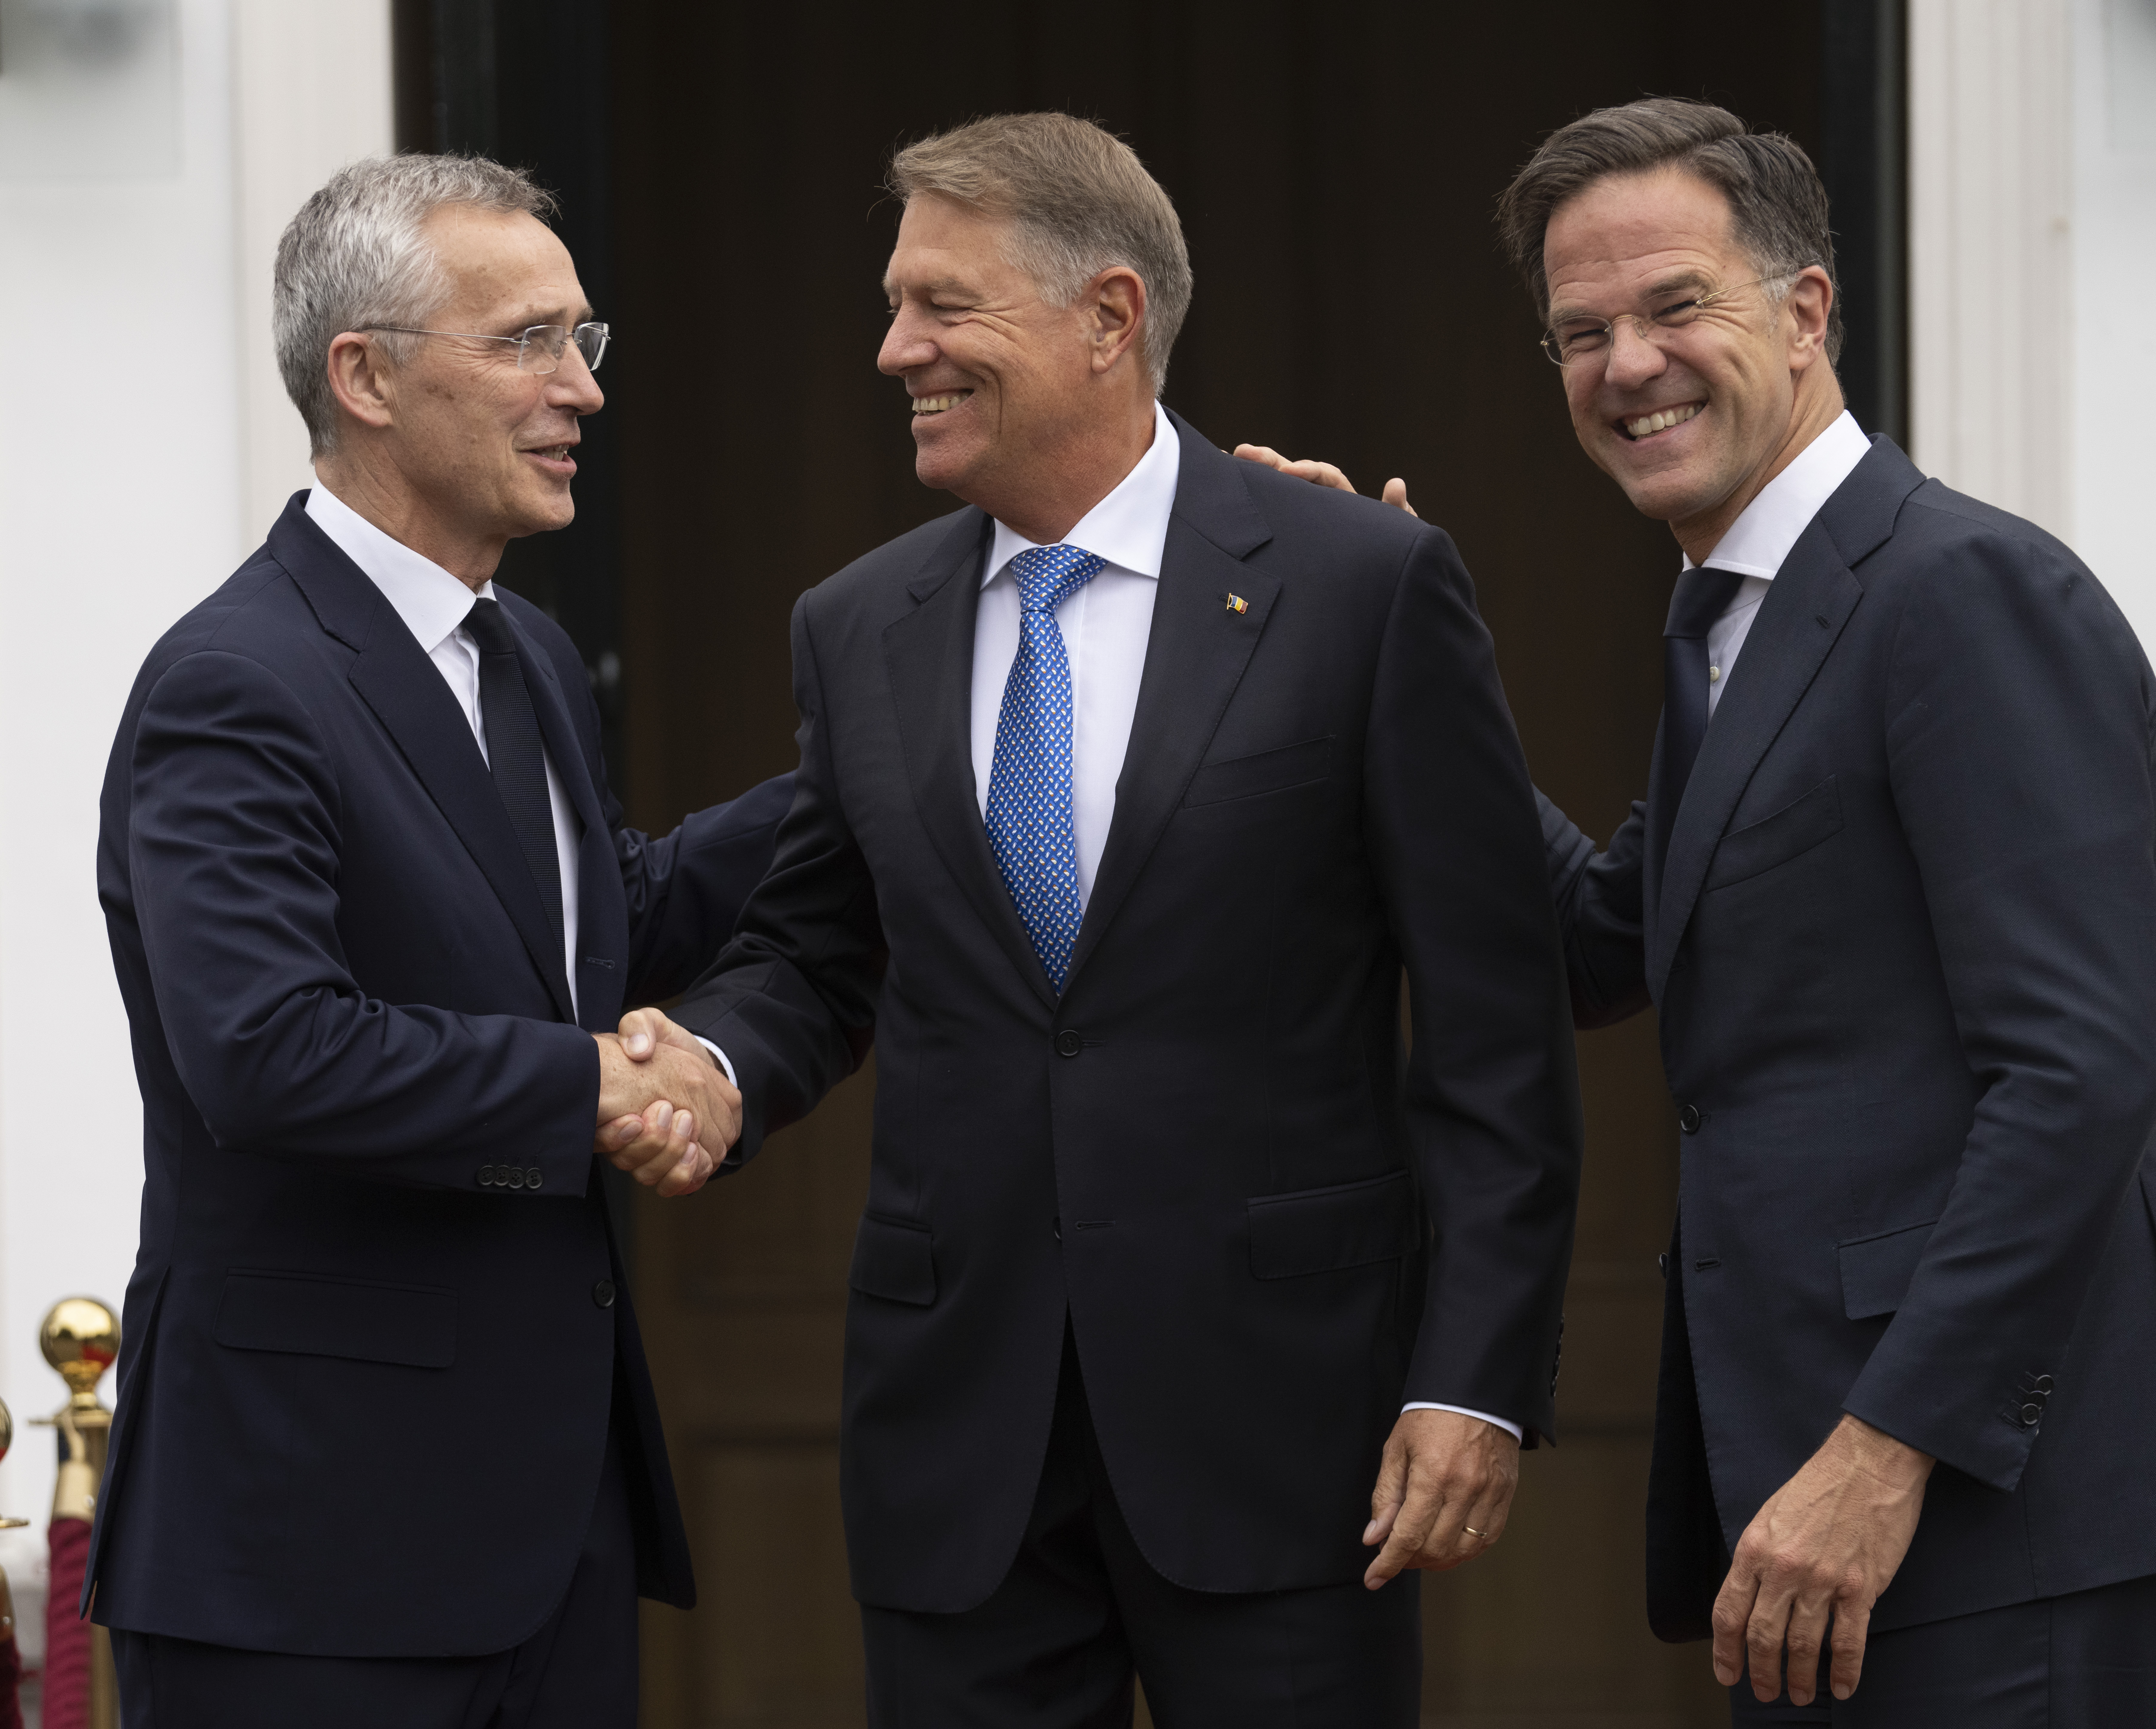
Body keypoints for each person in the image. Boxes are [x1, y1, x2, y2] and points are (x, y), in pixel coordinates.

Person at [1244, 97, 2156, 1726]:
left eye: (1673, 306)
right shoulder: (1740, 628)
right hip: (1812, 1503)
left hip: (1990, 1509)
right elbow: (1597, 943)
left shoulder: (1959, 592)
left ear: (1804, 310)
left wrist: (1883, 1452)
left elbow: (2083, 1072)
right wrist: (1398, 645)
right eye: (1582, 333)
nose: (1627, 364)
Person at [633, 113, 1584, 1727]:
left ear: (1109, 316)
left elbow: (1498, 1034)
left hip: (1291, 1444)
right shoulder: (856, 626)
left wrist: (1474, 1380)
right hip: (962, 1450)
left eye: (942, 305)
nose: (895, 349)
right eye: (894, 305)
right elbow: (813, 952)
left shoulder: (1362, 585)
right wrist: (715, 1071)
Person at [88, 155, 787, 1727]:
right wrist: (596, 1086)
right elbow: (268, 1051)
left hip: (546, 1542)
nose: (582, 390)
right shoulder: (236, 682)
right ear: (367, 376)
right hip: (306, 1558)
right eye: (528, 341)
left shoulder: (522, 648)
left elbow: (602, 928)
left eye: (583, 341)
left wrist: (903, 745)